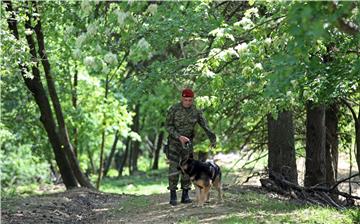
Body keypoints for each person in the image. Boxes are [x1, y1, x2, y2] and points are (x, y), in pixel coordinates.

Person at [165, 88, 216, 206]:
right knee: (174, 167)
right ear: (181, 98)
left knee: (188, 168)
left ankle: (185, 194)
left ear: (193, 100)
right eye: (185, 100)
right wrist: (179, 137)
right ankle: (173, 194)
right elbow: (168, 126)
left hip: (188, 143)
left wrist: (213, 139)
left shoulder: (196, 111)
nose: (188, 102)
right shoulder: (174, 109)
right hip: (174, 142)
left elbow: (205, 125)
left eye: (190, 100)